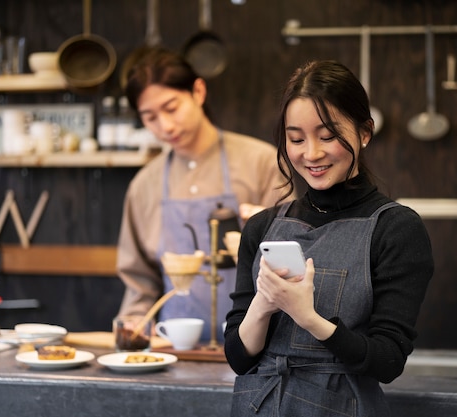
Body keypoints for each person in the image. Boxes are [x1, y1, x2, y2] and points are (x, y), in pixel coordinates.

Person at [224, 60, 434, 416]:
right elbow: (239, 358)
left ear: (364, 132)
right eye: (296, 139)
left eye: (328, 136)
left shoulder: (396, 229)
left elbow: (387, 361)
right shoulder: (261, 227)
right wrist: (264, 303)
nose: (312, 153)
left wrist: (309, 317)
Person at [116, 46, 287, 342]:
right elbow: (139, 278)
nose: (165, 125)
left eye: (171, 108)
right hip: (174, 349)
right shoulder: (144, 185)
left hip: (259, 347)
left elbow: (292, 252)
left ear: (197, 91)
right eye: (150, 117)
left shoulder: (260, 162)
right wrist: (133, 321)